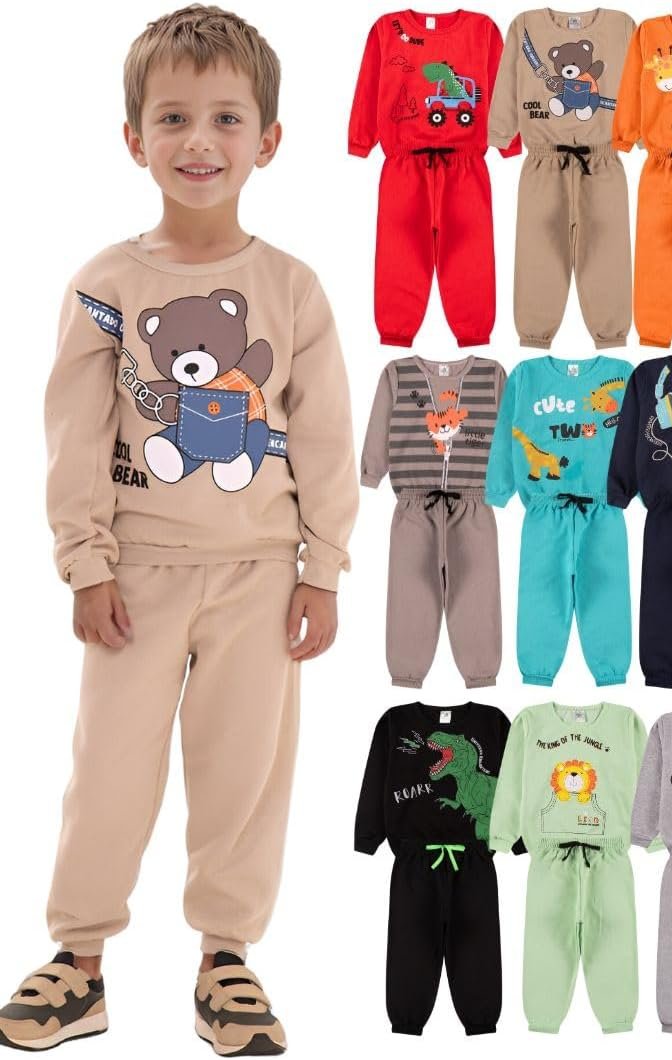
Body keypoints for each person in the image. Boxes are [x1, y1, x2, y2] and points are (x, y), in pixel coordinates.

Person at [0, 5, 357, 1055]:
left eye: (226, 118)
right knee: (109, 768)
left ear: (268, 141)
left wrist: (323, 567)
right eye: (173, 118)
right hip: (137, 576)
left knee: (243, 775)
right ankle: (78, 960)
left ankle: (226, 962)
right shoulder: (107, 288)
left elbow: (325, 439)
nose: (199, 141)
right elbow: (74, 433)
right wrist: (84, 562)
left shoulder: (292, 289)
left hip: (259, 574)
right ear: (134, 139)